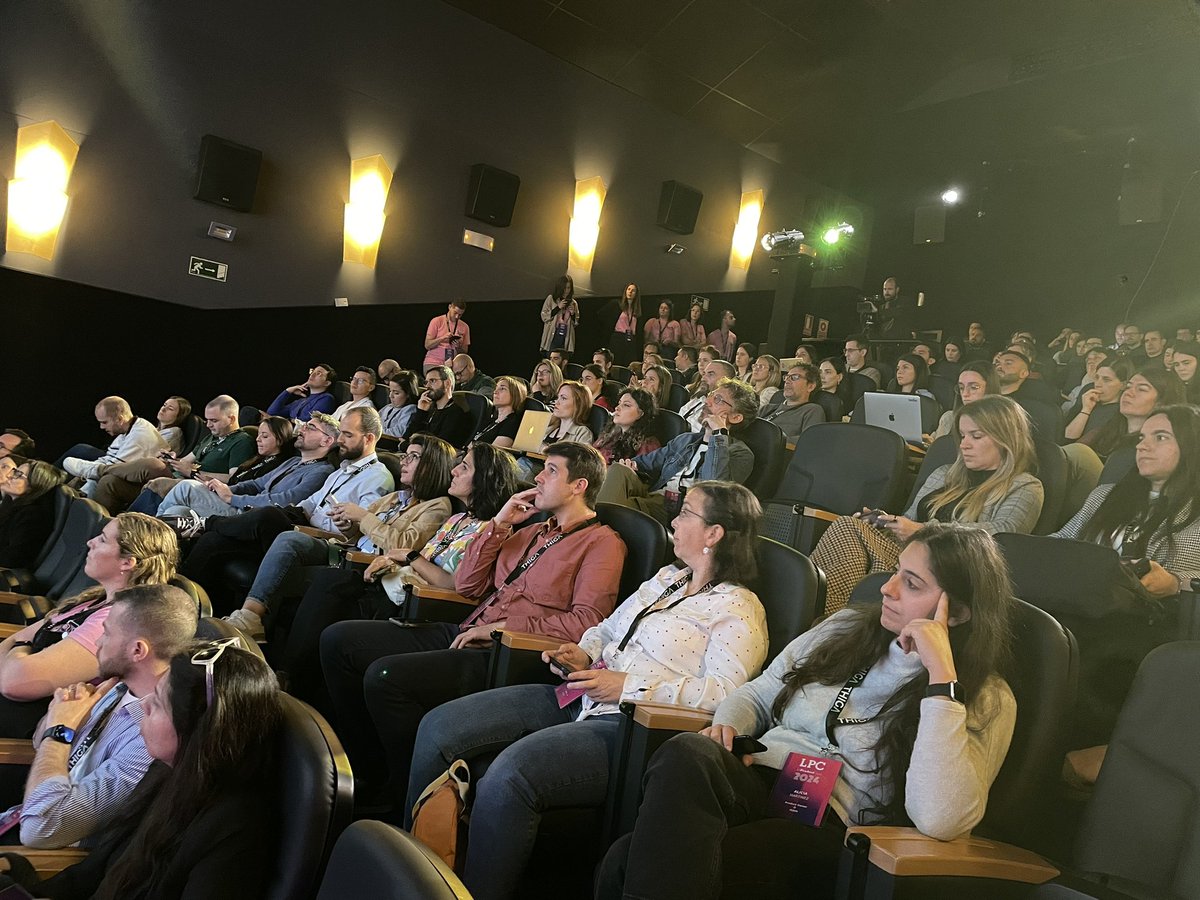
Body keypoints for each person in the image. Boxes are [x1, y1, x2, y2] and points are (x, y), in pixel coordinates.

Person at [597, 522, 1019, 900]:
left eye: (911, 584)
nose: (887, 589)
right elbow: (760, 693)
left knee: (623, 859)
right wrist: (727, 726)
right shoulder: (845, 628)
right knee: (688, 751)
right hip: (756, 774)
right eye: (895, 573)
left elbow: (941, 820)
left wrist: (941, 677)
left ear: (958, 612)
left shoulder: (984, 697)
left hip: (830, 824)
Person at [410, 482, 770, 900]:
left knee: (509, 777)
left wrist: (629, 687)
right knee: (439, 726)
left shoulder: (738, 606)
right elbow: (606, 629)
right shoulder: (667, 579)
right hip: (578, 694)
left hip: (632, 727)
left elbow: (726, 694)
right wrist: (581, 652)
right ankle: (411, 872)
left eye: (686, 512)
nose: (674, 519)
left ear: (715, 533)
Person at [320, 442, 625, 809]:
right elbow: (468, 585)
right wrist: (498, 524)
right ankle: (365, 763)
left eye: (552, 471)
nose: (539, 477)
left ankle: (402, 791)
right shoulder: (530, 532)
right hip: (467, 629)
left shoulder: (602, 543)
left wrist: (498, 629)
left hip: (508, 653)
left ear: (579, 486)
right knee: (340, 641)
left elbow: (586, 623)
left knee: (386, 677)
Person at [17, 641, 283, 899]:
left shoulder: (235, 833)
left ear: (196, 731)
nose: (143, 705)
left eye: (157, 703)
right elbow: (95, 870)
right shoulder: (164, 772)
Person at [280, 443, 521, 711]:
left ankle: (295, 687)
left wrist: (409, 556)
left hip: (424, 604)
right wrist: (391, 558)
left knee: (334, 606)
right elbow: (415, 558)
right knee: (330, 582)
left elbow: (457, 585)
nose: (454, 471)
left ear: (485, 478)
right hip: (398, 585)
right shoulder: (457, 519)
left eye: (464, 467)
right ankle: (293, 682)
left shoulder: (491, 532)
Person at [812, 395, 1044, 614]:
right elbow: (910, 519)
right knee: (853, 526)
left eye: (976, 436)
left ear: (1006, 439)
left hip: (950, 570)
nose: (964, 445)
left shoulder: (1024, 486)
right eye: (962, 436)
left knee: (846, 528)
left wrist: (924, 531)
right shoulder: (944, 475)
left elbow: (1004, 536)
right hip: (909, 554)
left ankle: (822, 616)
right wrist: (886, 521)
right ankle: (837, 616)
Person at [14, 583, 198, 849]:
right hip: (18, 813)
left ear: (138, 651)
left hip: (40, 858)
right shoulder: (117, 687)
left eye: (107, 633)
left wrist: (59, 730)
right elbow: (37, 742)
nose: (98, 641)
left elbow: (41, 830)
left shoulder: (151, 744)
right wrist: (60, 719)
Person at [222, 433, 454, 641]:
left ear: (432, 465)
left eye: (413, 457)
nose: (404, 461)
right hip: (344, 549)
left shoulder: (438, 507)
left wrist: (363, 517)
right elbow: (358, 534)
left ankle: (253, 630)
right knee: (287, 541)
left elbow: (404, 545)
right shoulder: (396, 497)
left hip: (365, 566)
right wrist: (347, 525)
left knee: (284, 567)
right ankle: (249, 620)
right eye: (406, 455)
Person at [178, 408, 393, 613]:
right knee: (213, 541)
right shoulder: (341, 471)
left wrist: (346, 526)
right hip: (300, 526)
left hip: (323, 542)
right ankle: (183, 603)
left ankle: (206, 523)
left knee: (269, 513)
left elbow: (360, 533)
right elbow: (308, 503)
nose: (340, 440)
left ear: (369, 438)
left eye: (347, 434)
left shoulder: (378, 478)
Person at [0, 513, 179, 738]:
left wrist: (21, 647)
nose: (90, 542)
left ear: (127, 562)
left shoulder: (115, 622)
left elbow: (14, 683)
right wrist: (19, 649)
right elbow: (13, 640)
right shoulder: (93, 600)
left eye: (103, 539)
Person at [1052, 404, 1200, 597]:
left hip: (1155, 620)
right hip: (1080, 600)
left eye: (1160, 437)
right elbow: (1060, 542)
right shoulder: (1103, 495)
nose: (1141, 446)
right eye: (1141, 437)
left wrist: (1176, 582)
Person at [597, 377, 759, 527]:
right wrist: (632, 465)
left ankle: (593, 530)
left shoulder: (741, 454)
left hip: (684, 510)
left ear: (736, 417)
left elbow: (714, 489)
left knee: (615, 507)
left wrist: (718, 436)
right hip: (657, 496)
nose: (707, 401)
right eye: (710, 395)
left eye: (717, 399)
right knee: (618, 470)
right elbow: (648, 462)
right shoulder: (686, 439)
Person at [156, 414, 336, 529]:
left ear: (326, 441)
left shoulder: (322, 471)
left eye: (311, 428)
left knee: (186, 487)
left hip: (252, 516)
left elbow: (287, 500)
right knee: (177, 511)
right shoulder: (294, 461)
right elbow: (257, 483)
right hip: (242, 506)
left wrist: (232, 498)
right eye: (305, 425)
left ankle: (142, 537)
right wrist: (224, 489)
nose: (303, 429)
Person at [111, 396, 257, 515]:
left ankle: (129, 524)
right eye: (207, 420)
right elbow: (186, 461)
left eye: (214, 421)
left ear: (231, 419)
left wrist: (194, 473)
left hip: (200, 487)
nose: (208, 425)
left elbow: (235, 479)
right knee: (113, 482)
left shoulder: (242, 441)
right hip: (181, 477)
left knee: (155, 475)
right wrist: (172, 459)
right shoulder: (212, 437)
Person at [59, 397, 168, 500]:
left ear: (120, 419)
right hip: (121, 473)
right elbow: (108, 458)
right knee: (77, 460)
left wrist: (84, 470)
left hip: (146, 485)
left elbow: (113, 468)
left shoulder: (140, 436)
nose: (101, 427)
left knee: (103, 478)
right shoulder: (130, 427)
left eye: (104, 422)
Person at [1076, 367, 1186, 459]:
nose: (1129, 393)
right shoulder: (1104, 430)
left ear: (1162, 402)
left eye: (1142, 389)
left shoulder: (1162, 448)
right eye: (1128, 387)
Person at [0, 460, 65, 569]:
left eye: (18, 475)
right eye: (14, 471)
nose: (9, 476)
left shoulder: (33, 517)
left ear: (34, 486)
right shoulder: (10, 501)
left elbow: (12, 559)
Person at [1063, 357, 1136, 442]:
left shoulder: (1122, 413)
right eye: (1097, 378)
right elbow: (1067, 437)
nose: (1098, 384)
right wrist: (1086, 410)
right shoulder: (1087, 400)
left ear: (1123, 385)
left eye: (1106, 380)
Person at [402, 366, 473, 449]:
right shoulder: (429, 409)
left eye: (432, 381)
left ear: (447, 383)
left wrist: (407, 445)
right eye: (426, 382)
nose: (427, 386)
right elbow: (406, 437)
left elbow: (439, 447)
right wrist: (421, 412)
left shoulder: (457, 413)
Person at [929, 361, 1001, 441]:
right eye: (961, 388)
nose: (965, 394)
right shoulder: (949, 418)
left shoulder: (1003, 422)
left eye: (974, 387)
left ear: (990, 388)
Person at [759, 362, 826, 442]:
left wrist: (770, 440)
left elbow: (809, 440)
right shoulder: (767, 408)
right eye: (787, 377)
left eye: (794, 377)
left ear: (810, 386)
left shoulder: (812, 410)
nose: (787, 381)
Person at [593, 388, 661, 464]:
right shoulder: (609, 435)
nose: (617, 408)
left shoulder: (648, 445)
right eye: (619, 403)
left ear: (640, 414)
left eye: (626, 405)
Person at [265, 364, 338, 422]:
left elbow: (306, 421)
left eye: (319, 374)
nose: (312, 375)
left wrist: (287, 421)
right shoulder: (301, 401)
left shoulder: (327, 399)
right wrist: (288, 391)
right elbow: (272, 412)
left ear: (327, 383)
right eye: (312, 371)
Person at [680, 360, 736, 432]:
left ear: (727, 380)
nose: (703, 378)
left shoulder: (725, 411)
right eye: (704, 374)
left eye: (710, 374)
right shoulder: (698, 400)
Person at [471, 376, 526, 448]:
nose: (495, 392)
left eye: (502, 388)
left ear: (515, 394)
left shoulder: (513, 423)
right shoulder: (491, 420)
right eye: (496, 388)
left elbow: (493, 453)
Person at [423, 300, 471, 372]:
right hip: (433, 362)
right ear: (450, 307)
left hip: (452, 365)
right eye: (455, 313)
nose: (457, 316)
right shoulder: (436, 321)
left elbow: (465, 352)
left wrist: (458, 347)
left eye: (460, 315)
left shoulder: (464, 327)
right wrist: (442, 338)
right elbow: (427, 345)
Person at [540, 276, 580, 357]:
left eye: (568, 288)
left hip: (565, 337)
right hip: (553, 335)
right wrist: (558, 307)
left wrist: (573, 314)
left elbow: (575, 323)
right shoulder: (551, 299)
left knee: (563, 361)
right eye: (564, 288)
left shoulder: (573, 303)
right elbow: (544, 316)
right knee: (551, 360)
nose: (566, 291)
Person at [610, 282, 642, 365]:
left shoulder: (636, 310)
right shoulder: (617, 305)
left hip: (631, 339)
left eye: (633, 290)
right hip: (618, 337)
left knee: (629, 362)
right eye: (628, 289)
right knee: (617, 361)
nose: (630, 292)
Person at [380, 370, 419, 438]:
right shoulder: (387, 407)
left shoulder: (410, 409)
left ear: (408, 394)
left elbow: (398, 432)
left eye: (396, 393)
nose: (390, 396)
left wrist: (376, 432)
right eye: (390, 391)